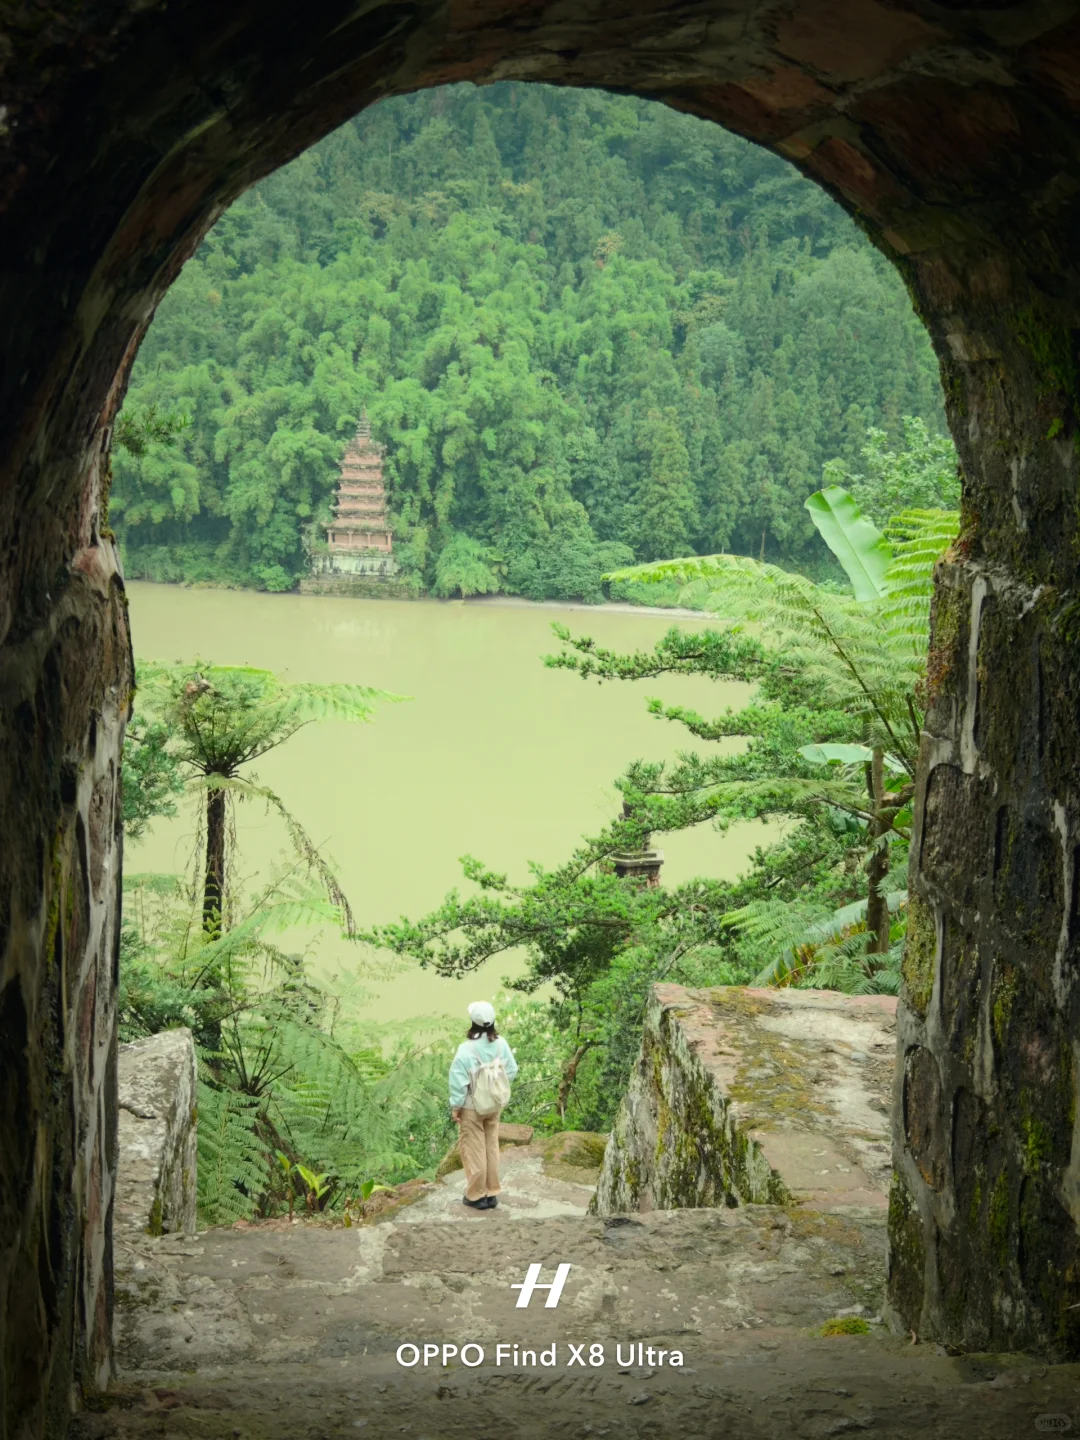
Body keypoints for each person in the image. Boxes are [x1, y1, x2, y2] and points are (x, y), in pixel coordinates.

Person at [449, 1001, 518, 1210]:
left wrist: (456, 1106)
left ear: (473, 1023)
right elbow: (512, 1070)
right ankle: (492, 1193)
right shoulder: (501, 1043)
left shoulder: (465, 1049)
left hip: (472, 1107)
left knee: (474, 1149)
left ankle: (476, 1195)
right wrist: (494, 1089)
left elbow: (458, 1081)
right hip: (494, 1105)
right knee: (491, 1147)